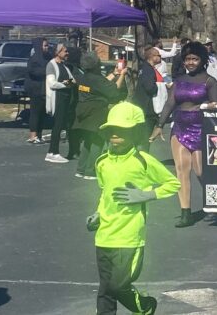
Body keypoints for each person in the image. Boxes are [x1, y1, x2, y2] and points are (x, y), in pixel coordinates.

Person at [87, 101, 180, 315]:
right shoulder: (102, 162)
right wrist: (98, 213)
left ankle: (145, 307)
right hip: (104, 236)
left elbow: (173, 184)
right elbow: (105, 192)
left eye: (121, 132)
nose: (114, 137)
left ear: (134, 133)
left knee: (119, 286)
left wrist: (147, 194)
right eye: (111, 132)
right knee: (106, 289)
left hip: (129, 237)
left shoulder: (142, 161)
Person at [153, 42, 217, 228]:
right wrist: (159, 125)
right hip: (180, 127)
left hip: (202, 129)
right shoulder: (179, 80)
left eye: (195, 59)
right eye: (188, 59)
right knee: (182, 171)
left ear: (202, 60)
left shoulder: (209, 81)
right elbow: (169, 103)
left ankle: (214, 204)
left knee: (200, 170)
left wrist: (209, 106)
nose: (191, 62)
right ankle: (185, 213)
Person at [73, 52, 129, 180]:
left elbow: (102, 83)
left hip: (83, 111)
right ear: (95, 65)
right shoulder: (97, 79)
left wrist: (114, 74)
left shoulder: (84, 77)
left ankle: (81, 169)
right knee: (98, 140)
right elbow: (114, 91)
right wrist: (122, 75)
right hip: (96, 113)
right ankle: (90, 171)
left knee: (88, 140)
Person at [45, 45, 77, 163]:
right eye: (65, 51)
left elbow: (72, 80)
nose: (67, 53)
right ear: (58, 52)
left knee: (61, 124)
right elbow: (52, 83)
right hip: (57, 98)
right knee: (57, 125)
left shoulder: (64, 65)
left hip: (65, 98)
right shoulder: (51, 65)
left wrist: (68, 83)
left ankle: (53, 152)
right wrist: (65, 85)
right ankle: (53, 152)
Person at [25, 38, 51, 145]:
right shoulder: (33, 59)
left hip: (45, 90)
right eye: (45, 45)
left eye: (47, 45)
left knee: (42, 114)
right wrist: (48, 71)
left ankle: (39, 135)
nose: (47, 47)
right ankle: (32, 135)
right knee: (35, 113)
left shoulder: (48, 57)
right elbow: (34, 72)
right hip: (35, 90)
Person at [131, 46, 164, 131]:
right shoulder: (148, 69)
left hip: (140, 104)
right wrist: (159, 87)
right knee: (144, 133)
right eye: (158, 55)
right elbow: (149, 87)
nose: (160, 57)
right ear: (152, 57)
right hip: (145, 108)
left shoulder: (144, 67)